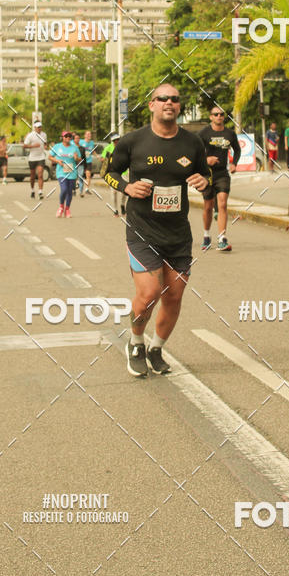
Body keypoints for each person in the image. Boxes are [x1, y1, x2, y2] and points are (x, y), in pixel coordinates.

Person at [104, 85, 210, 377]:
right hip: (142, 231)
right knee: (150, 292)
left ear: (179, 106)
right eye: (163, 98)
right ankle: (136, 342)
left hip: (177, 234)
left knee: (173, 297)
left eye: (175, 99)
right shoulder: (132, 141)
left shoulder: (192, 143)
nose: (169, 102)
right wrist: (127, 187)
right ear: (152, 105)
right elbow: (107, 172)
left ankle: (156, 348)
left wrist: (205, 181)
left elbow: (207, 174)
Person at [199, 107, 241, 252]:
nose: (219, 116)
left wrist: (234, 163)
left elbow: (237, 149)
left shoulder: (229, 133)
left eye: (221, 114)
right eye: (216, 114)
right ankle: (206, 236)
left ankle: (222, 238)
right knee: (208, 206)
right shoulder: (204, 133)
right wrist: (206, 160)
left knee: (222, 204)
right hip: (207, 174)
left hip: (222, 173)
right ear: (211, 117)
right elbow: (195, 152)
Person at [49, 131, 82, 218]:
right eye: (66, 136)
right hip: (61, 172)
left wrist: (76, 158)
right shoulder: (57, 146)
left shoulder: (74, 148)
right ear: (62, 137)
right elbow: (50, 157)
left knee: (69, 191)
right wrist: (57, 161)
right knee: (64, 189)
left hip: (72, 172)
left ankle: (67, 209)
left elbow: (80, 159)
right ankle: (61, 207)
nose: (68, 137)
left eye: (69, 136)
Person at [101, 133, 126, 215]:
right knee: (114, 192)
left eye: (118, 139)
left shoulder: (124, 147)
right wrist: (105, 159)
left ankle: (122, 205)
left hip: (124, 172)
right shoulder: (108, 148)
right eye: (115, 140)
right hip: (112, 172)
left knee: (124, 191)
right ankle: (115, 209)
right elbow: (102, 159)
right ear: (112, 141)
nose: (116, 142)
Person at [23, 120, 48, 199]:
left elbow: (45, 142)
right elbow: (24, 146)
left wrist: (45, 146)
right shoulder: (30, 135)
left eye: (40, 127)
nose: (39, 128)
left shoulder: (44, 134)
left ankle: (40, 191)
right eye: (38, 127)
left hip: (41, 157)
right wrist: (33, 146)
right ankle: (32, 190)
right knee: (32, 176)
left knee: (40, 174)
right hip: (32, 158)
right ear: (34, 127)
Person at [73, 132, 87, 197]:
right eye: (76, 138)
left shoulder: (82, 148)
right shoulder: (71, 148)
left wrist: (85, 167)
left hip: (81, 165)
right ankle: (73, 190)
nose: (77, 139)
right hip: (73, 165)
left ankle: (81, 192)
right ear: (74, 139)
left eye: (78, 138)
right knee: (73, 178)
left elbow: (84, 158)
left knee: (80, 177)